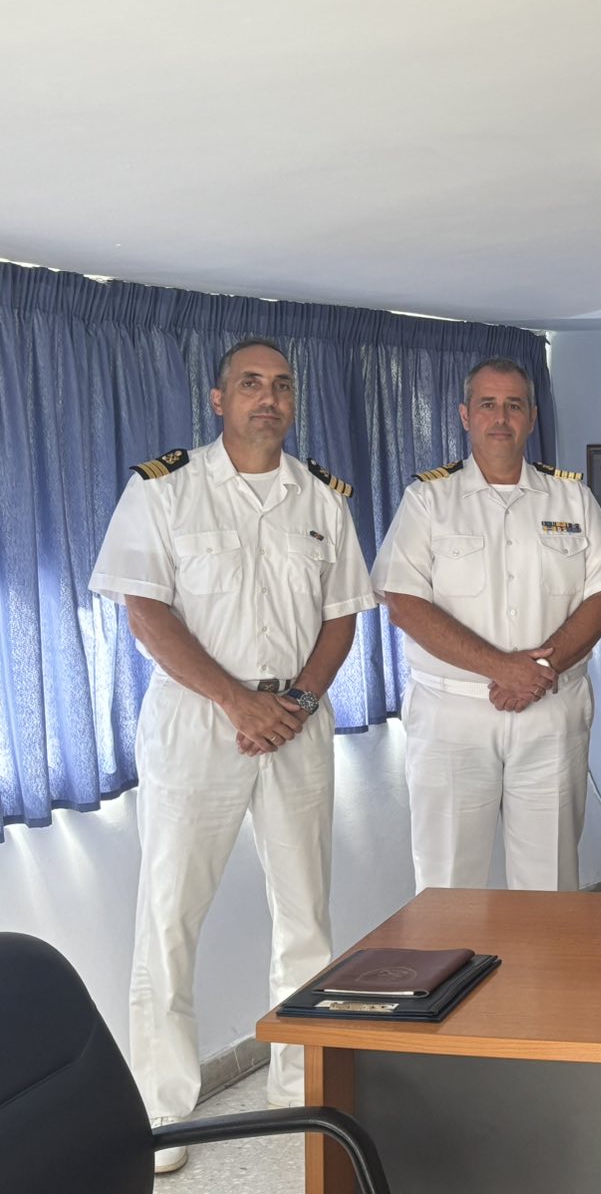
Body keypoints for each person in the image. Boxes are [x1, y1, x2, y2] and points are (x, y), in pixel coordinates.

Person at [89, 338, 375, 1172]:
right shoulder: (163, 490)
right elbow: (147, 613)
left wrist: (297, 702)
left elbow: (342, 616)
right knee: (169, 918)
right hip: (196, 721)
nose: (268, 398)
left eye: (282, 385)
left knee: (305, 915)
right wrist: (235, 701)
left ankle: (299, 1087)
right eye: (251, 384)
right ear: (219, 400)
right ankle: (161, 1112)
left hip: (295, 719)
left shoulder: (322, 498)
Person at [371, 358, 601, 893]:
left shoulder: (572, 498)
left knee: (550, 882)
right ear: (466, 415)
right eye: (488, 404)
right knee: (448, 883)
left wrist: (537, 670)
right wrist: (503, 668)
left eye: (514, 405)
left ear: (532, 417)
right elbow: (403, 602)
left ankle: (543, 958)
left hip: (551, 710)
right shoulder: (429, 499)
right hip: (453, 715)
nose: (501, 417)